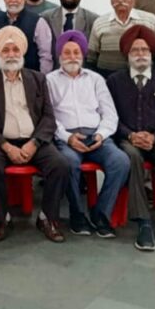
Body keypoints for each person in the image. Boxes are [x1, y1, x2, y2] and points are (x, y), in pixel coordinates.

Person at [0, 26, 69, 243]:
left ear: (22, 52)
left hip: (33, 141)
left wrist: (34, 143)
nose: (11, 54)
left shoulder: (37, 78)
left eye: (15, 49)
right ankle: (2, 218)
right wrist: (6, 146)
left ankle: (47, 217)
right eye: (6, 50)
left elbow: (48, 117)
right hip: (1, 143)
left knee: (60, 165)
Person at [105, 25, 155, 252]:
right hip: (128, 138)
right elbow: (109, 117)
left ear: (152, 54)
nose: (140, 54)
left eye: (145, 50)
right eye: (135, 50)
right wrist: (130, 134)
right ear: (127, 54)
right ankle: (143, 221)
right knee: (132, 159)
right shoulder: (114, 81)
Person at [46, 30, 128, 238]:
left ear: (82, 54)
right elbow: (48, 117)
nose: (72, 57)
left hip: (96, 136)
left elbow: (110, 114)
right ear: (59, 55)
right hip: (66, 138)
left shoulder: (96, 79)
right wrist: (68, 137)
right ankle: (77, 214)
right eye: (67, 52)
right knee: (68, 163)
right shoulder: (49, 80)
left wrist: (101, 135)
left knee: (121, 161)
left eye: (76, 52)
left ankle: (101, 213)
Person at [87, 0, 155, 76]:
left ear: (133, 0)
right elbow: (91, 58)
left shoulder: (151, 21)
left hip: (144, 78)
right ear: (111, 0)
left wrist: (154, 75)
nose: (120, 0)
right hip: (107, 78)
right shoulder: (99, 23)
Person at [0, 0, 54, 73]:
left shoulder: (38, 21)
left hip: (29, 78)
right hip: (0, 78)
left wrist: (41, 79)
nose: (13, 0)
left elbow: (46, 55)